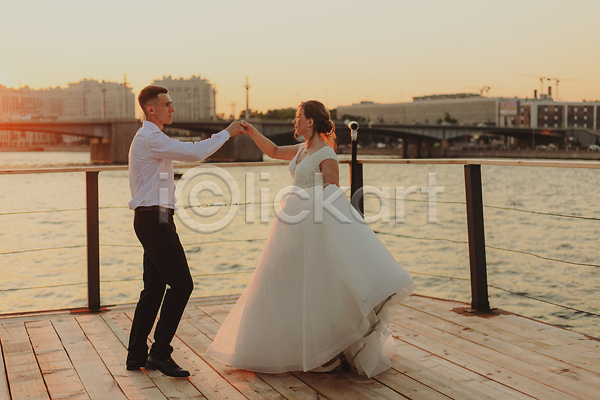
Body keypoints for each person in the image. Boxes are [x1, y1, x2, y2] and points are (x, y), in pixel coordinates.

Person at [207, 100, 414, 378]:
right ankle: (289, 346)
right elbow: (274, 151)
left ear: (310, 122)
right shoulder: (302, 149)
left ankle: (326, 349)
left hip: (312, 226)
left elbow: (332, 190)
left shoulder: (326, 153)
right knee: (286, 281)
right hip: (291, 226)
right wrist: (251, 130)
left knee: (316, 286)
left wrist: (306, 204)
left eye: (297, 117)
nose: (294, 121)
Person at [126, 85, 244, 377]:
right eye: (167, 104)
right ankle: (160, 353)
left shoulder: (152, 137)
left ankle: (137, 355)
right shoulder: (151, 137)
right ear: (150, 109)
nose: (172, 109)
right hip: (155, 220)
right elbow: (196, 153)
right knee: (182, 285)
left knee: (154, 289)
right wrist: (227, 131)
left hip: (153, 218)